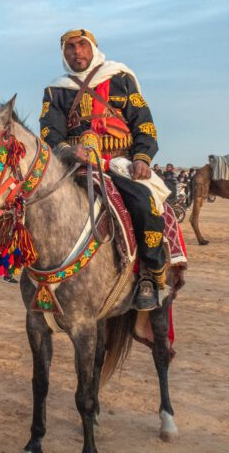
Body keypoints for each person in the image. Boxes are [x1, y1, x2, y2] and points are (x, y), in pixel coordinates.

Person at [40, 28, 166, 311]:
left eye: (81, 46)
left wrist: (142, 158)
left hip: (118, 164)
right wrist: (69, 151)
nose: (76, 52)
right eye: (69, 48)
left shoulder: (120, 78)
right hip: (73, 165)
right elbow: (49, 132)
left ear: (93, 48)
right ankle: (35, 272)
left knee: (145, 205)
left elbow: (143, 123)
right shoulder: (56, 89)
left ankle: (148, 273)